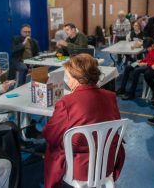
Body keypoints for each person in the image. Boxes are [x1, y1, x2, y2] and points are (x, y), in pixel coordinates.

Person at [42, 54, 125, 188]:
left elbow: (50, 135)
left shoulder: (66, 102)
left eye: (68, 78)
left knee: (52, 148)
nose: (68, 82)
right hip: (107, 161)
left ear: (76, 79)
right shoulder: (110, 96)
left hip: (81, 166)